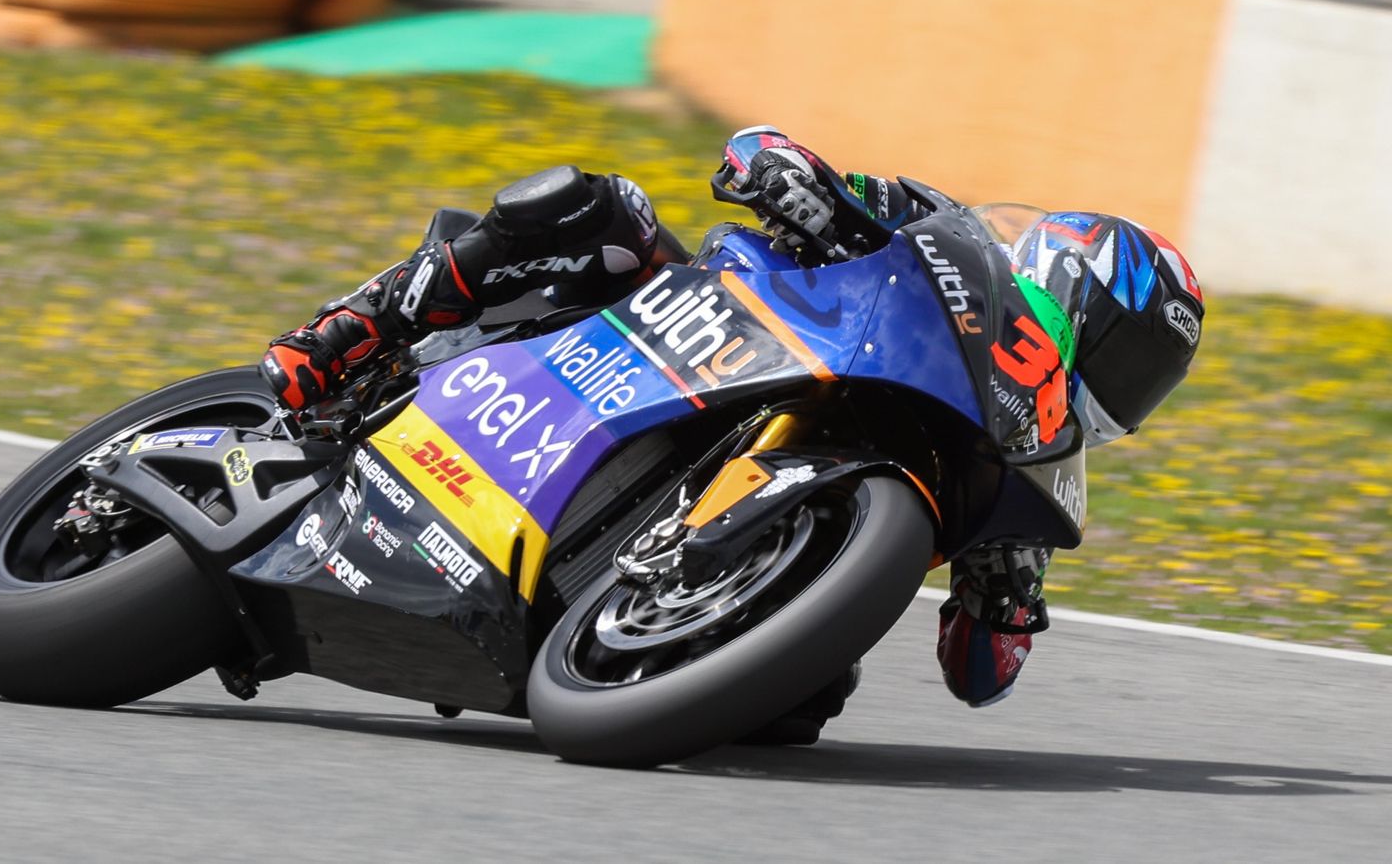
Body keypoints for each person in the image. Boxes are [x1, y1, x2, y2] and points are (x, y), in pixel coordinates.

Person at [261, 126, 1205, 735]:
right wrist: (793, 182)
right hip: (701, 325)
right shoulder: (937, 231)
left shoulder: (1031, 456)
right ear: (1072, 278)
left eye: (1144, 384)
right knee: (602, 211)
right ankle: (356, 332)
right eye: (1127, 357)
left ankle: (618, 643)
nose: (1124, 390)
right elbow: (758, 151)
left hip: (793, 453)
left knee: (806, 705)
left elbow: (979, 680)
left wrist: (1003, 607)